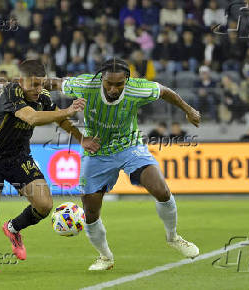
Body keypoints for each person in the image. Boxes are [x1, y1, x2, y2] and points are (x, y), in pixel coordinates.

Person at [49, 58, 200, 270]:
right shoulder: (86, 85)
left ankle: (173, 237)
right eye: (108, 83)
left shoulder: (137, 89)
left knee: (161, 190)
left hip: (130, 147)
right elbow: (55, 83)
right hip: (97, 152)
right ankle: (105, 257)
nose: (112, 88)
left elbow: (165, 91)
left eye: (118, 84)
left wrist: (189, 109)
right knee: (90, 211)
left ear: (126, 81)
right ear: (101, 79)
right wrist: (24, 85)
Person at [0, 60, 99, 272]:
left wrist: (81, 139)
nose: (38, 90)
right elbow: (31, 118)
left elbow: (61, 121)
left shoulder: (42, 96)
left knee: (44, 205)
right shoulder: (11, 94)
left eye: (41, 84)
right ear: (20, 80)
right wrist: (67, 110)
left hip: (19, 158)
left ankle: (13, 228)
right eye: (33, 84)